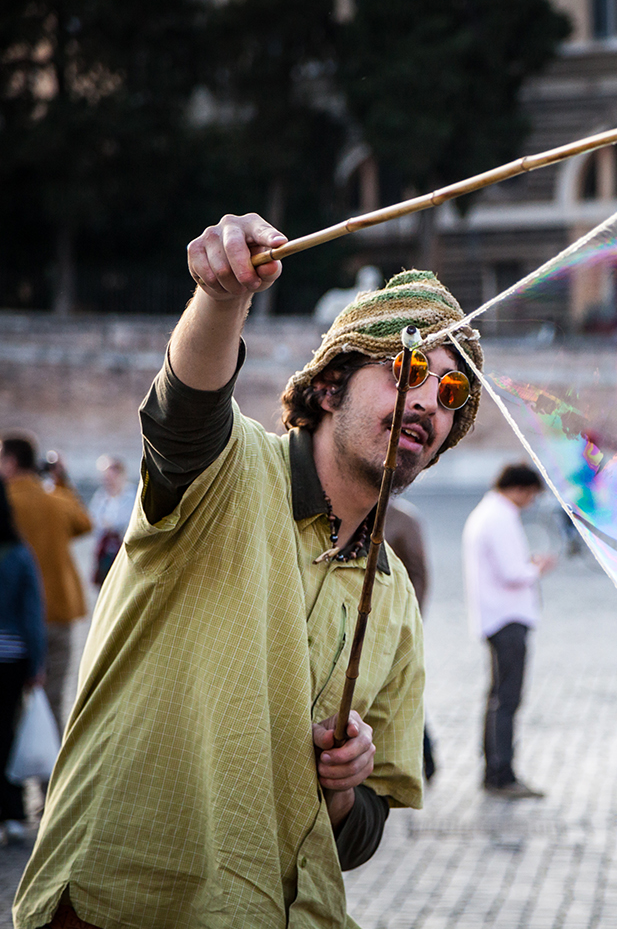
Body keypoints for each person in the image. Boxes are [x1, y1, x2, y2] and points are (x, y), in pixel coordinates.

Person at [14, 213, 485, 929]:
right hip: (124, 904)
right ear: (328, 388)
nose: (427, 400)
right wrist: (222, 296)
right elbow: (184, 414)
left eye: (452, 395)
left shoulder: (396, 605)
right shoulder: (227, 471)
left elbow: (359, 838)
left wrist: (344, 784)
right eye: (408, 369)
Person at [463, 463, 556, 799]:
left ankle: (494, 769)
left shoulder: (488, 513)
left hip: (494, 617)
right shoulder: (499, 517)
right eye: (531, 495)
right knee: (507, 699)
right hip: (507, 619)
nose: (530, 502)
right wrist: (537, 567)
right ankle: (501, 773)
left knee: (497, 697)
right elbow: (512, 571)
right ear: (520, 489)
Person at [0, 434, 91, 726]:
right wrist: (61, 481)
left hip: (10, 618)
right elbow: (84, 523)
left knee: (8, 706)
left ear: (11, 462)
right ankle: (49, 767)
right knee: (52, 703)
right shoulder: (56, 500)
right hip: (59, 611)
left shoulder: (6, 504)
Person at [0, 481, 47, 843]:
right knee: (8, 733)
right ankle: (14, 814)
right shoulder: (17, 552)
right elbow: (32, 614)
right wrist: (38, 664)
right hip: (12, 656)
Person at [382, 498, 437, 783]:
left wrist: (409, 621)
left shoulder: (404, 519)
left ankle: (425, 757)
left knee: (403, 690)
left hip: (395, 624)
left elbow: (419, 575)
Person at [87, 455, 136, 588]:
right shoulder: (101, 497)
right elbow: (93, 521)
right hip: (105, 552)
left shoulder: (133, 495)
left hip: (126, 550)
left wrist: (113, 525)